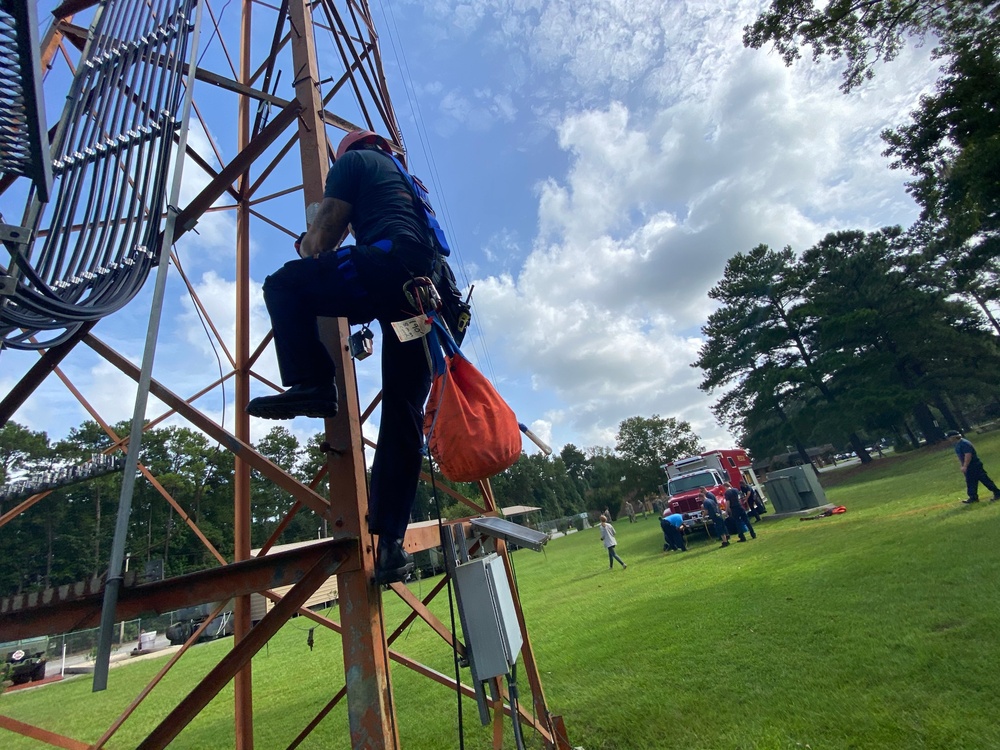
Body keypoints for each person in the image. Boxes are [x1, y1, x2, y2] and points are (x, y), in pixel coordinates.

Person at [246, 129, 461, 585]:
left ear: (346, 153)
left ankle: (315, 384)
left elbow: (323, 239)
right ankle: (390, 547)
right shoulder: (407, 182)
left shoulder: (353, 165)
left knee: (284, 284)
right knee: (402, 413)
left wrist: (307, 248)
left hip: (387, 272)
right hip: (429, 298)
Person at [945, 431, 1000, 504]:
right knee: (971, 481)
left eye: (949, 438)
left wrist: (965, 466)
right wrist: (962, 465)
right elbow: (960, 456)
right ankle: (973, 497)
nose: (948, 439)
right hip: (969, 466)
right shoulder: (957, 445)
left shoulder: (964, 443)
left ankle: (997, 492)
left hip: (974, 465)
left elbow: (968, 455)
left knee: (984, 479)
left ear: (953, 437)